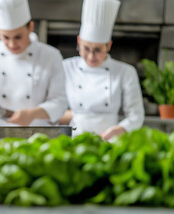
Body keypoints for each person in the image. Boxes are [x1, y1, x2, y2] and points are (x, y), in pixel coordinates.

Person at [0, 0, 68, 127]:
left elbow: (60, 101)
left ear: (30, 27)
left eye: (18, 37)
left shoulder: (50, 56)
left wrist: (33, 114)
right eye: (5, 37)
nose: (12, 44)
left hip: (36, 135)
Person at [60, 0, 144, 140]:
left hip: (110, 141)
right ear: (79, 41)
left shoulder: (125, 72)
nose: (91, 56)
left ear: (108, 45)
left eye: (98, 50)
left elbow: (136, 116)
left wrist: (118, 130)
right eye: (86, 48)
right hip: (74, 141)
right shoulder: (66, 67)